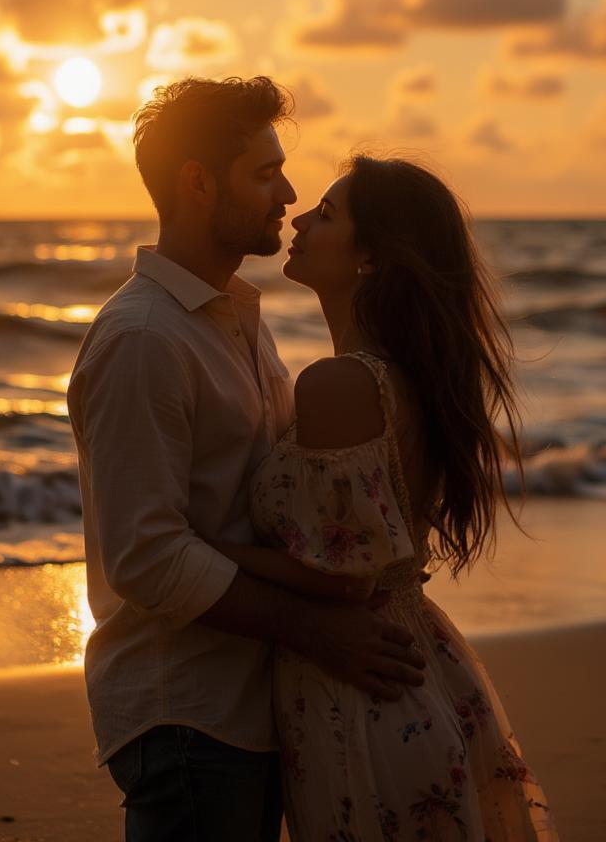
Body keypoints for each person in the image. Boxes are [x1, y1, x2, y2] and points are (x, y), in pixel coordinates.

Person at [65, 78, 427, 842]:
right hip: (187, 713)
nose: (289, 194)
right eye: (265, 174)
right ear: (198, 183)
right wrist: (317, 630)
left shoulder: (234, 321)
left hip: (251, 704)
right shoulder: (143, 341)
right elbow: (146, 557)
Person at [206, 155, 558, 840]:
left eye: (329, 216)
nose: (300, 217)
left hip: (361, 697)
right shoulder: (401, 377)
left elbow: (343, 576)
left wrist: (201, 547)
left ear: (371, 257)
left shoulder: (339, 384)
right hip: (412, 669)